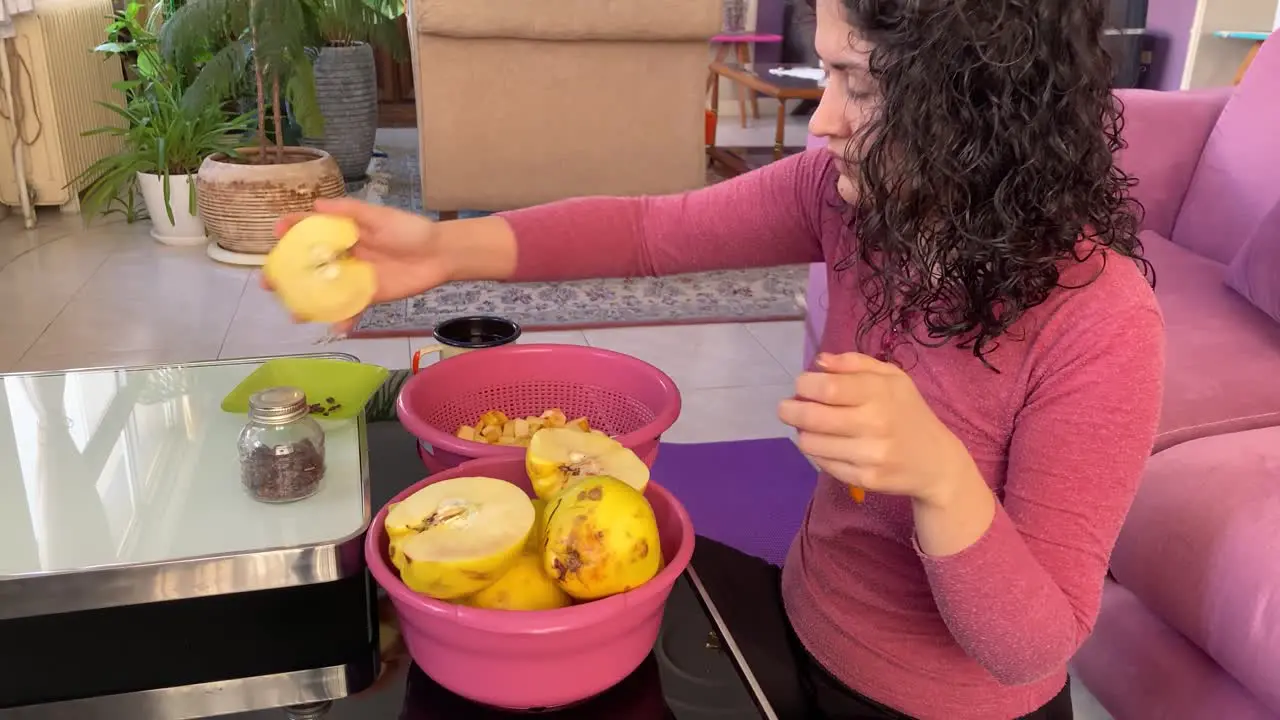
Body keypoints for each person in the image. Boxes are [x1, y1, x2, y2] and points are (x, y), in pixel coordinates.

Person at [272, 0, 1164, 717]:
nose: (822, 123)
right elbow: (648, 232)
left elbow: (1033, 648)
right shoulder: (849, 201)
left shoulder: (1102, 322)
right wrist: (440, 254)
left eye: (857, 81)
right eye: (826, 74)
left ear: (975, 98)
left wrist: (941, 479)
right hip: (794, 630)